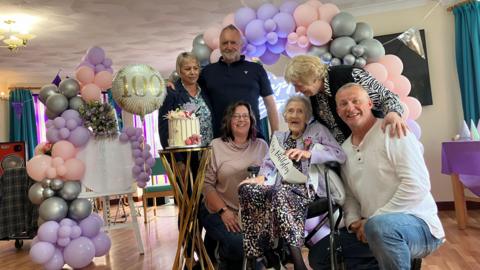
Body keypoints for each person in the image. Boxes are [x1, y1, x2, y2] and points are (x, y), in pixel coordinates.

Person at [308, 83, 444, 270]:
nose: (350, 107)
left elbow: (417, 185)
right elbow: (349, 195)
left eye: (356, 101)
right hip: (372, 229)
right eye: (343, 103)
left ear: (370, 103)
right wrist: (354, 222)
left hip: (419, 226)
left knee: (379, 228)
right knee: (320, 255)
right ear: (338, 111)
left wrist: (372, 221)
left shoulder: (393, 131)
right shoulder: (345, 149)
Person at [238, 95, 346, 270]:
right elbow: (268, 164)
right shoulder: (279, 137)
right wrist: (261, 177)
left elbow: (339, 154)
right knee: (247, 190)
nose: (294, 115)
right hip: (277, 188)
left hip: (306, 188)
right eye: (290, 111)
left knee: (278, 193)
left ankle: (297, 260)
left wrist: (311, 154)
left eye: (300, 111)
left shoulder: (317, 131)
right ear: (285, 116)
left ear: (307, 116)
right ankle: (263, 253)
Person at [198, 101, 269, 270]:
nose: (241, 120)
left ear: (251, 120)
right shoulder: (216, 146)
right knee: (239, 244)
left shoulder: (262, 146)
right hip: (219, 209)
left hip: (252, 215)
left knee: (259, 245)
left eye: (245, 116)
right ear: (229, 121)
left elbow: (270, 180)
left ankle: (230, 258)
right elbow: (206, 186)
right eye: (236, 116)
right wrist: (224, 211)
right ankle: (221, 254)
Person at [284, 55, 407, 144]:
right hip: (349, 154)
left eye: (298, 84)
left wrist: (393, 113)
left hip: (375, 142)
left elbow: (388, 97)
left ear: (311, 77)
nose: (297, 90)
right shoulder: (314, 95)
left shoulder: (350, 74)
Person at [198, 24, 279, 138]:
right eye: (225, 43)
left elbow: (270, 104)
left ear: (241, 45)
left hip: (254, 140)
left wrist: (276, 135)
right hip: (221, 142)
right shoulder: (207, 72)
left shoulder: (256, 69)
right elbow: (190, 91)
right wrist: (171, 86)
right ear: (219, 46)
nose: (229, 46)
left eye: (233, 42)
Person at [159, 52, 213, 148]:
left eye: (195, 68)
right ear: (179, 71)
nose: (192, 72)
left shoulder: (205, 89)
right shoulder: (171, 93)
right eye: (187, 69)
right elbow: (164, 129)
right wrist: (177, 160)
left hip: (210, 151)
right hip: (186, 155)